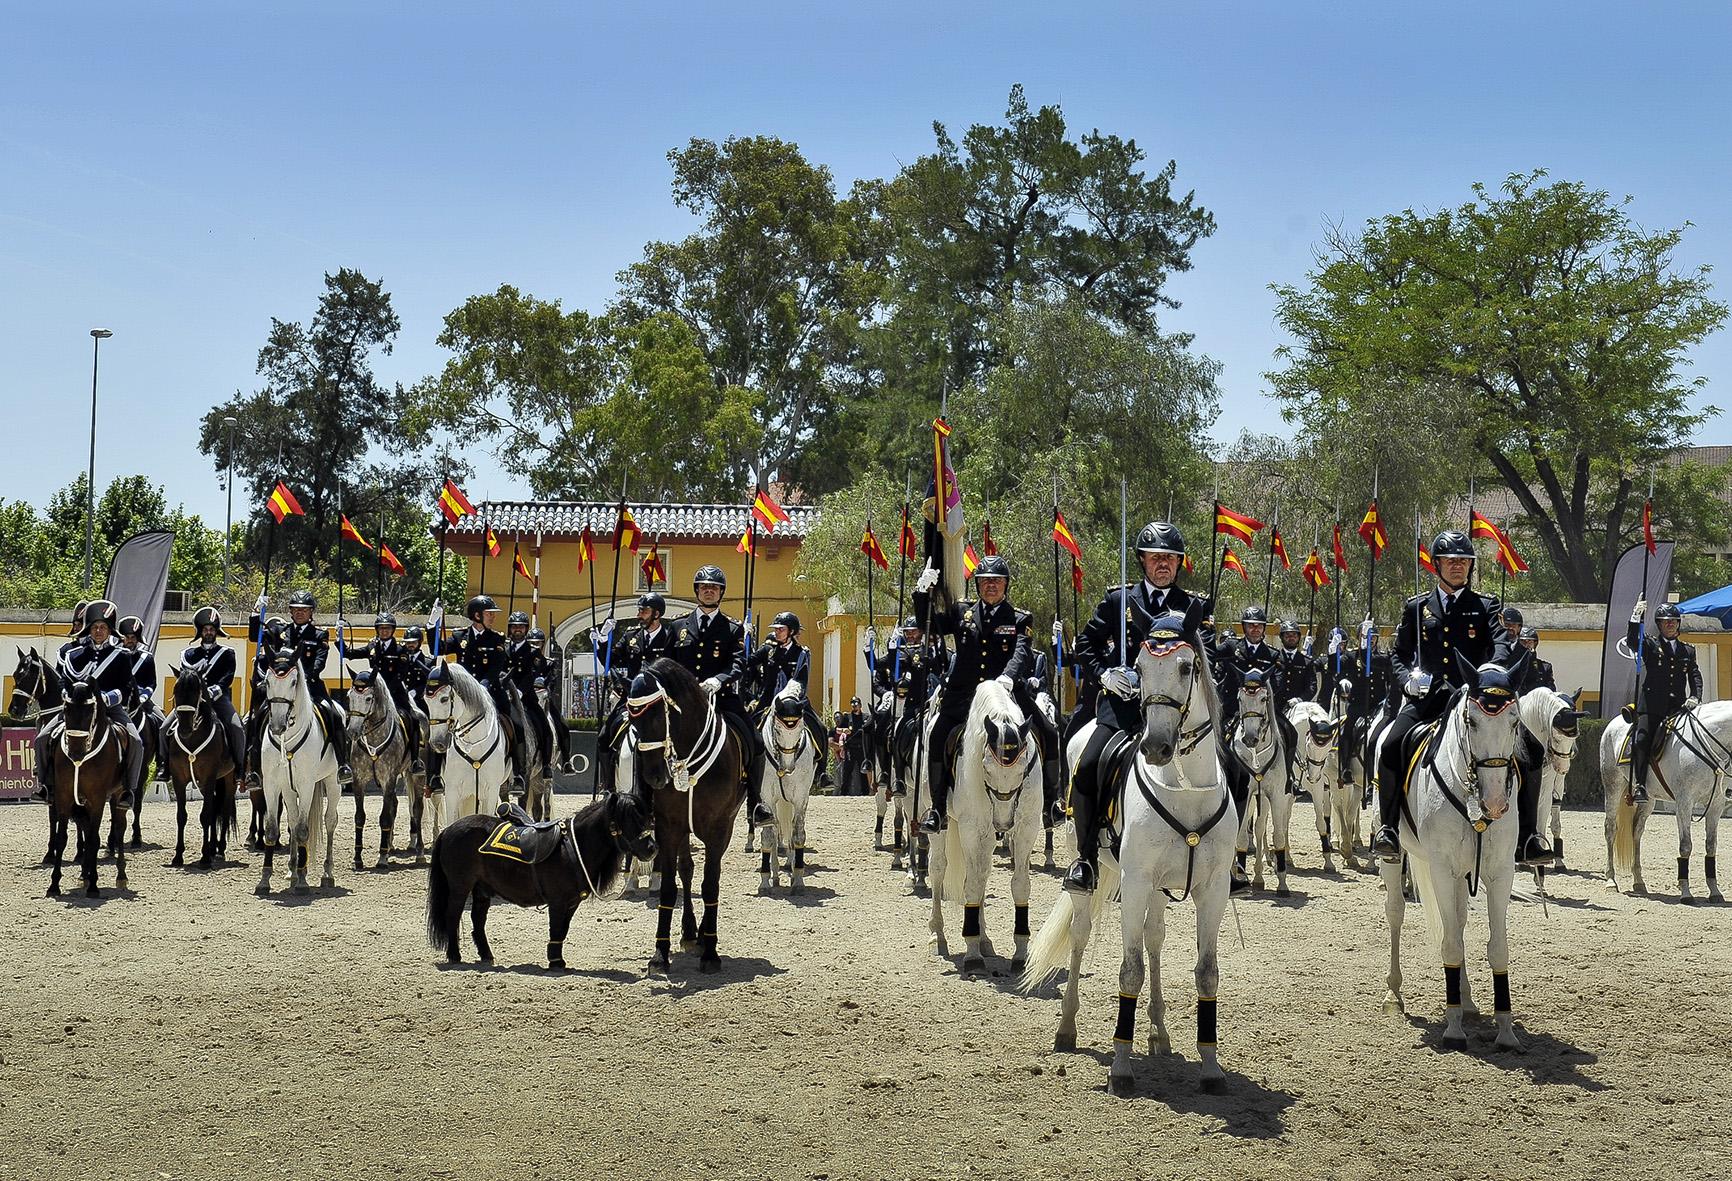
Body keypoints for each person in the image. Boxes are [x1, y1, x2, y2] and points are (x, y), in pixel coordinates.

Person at [1376, 531, 1535, 860]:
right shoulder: (1417, 608)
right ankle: (1389, 829)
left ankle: (1530, 837)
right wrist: (1408, 680)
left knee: (1531, 748)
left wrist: (1490, 669)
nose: (1458, 566)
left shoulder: (1486, 606)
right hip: (1429, 698)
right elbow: (1398, 655)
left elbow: (1503, 644)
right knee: (1391, 746)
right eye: (1450, 561)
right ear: (1436, 565)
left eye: (1464, 561)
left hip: (1475, 700)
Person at [1065, 521, 1203, 891]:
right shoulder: (1118, 601)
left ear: (1179, 564)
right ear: (1142, 561)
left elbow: (1209, 658)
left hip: (1177, 716)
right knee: (1089, 766)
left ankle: (1230, 859)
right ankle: (1087, 858)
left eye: (1170, 559)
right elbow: (1085, 644)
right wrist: (1106, 675)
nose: (1163, 565)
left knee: (1233, 769)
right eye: (1156, 558)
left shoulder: (1191, 607)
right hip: (1124, 709)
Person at [914, 553, 1059, 836]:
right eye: (985, 581)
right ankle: (938, 807)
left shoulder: (1019, 617)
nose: (991, 585)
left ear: (1006, 584)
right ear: (978, 585)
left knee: (1049, 732)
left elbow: (1021, 650)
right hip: (965, 695)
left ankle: (1052, 803)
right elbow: (929, 624)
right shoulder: (961, 612)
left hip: (1007, 691)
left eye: (997, 580)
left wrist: (1008, 676)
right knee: (938, 733)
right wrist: (921, 594)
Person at [666, 565, 773, 827]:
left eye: (714, 587)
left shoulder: (733, 629)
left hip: (722, 699)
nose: (709, 591)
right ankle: (645, 801)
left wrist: (718, 680)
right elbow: (666, 662)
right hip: (683, 703)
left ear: (721, 592)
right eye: (704, 587)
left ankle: (755, 804)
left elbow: (738, 664)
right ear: (697, 591)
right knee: (650, 740)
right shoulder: (678, 625)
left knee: (756, 743)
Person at [33, 601, 145, 803]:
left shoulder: (121, 656)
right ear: (89, 629)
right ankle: (45, 785)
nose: (99, 631)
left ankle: (128, 789)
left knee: (136, 741)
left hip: (110, 708)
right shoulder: (74, 655)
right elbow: (63, 680)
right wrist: (68, 696)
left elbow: (126, 686)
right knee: (42, 738)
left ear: (110, 630)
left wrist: (105, 699)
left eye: (103, 627)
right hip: (76, 710)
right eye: (95, 627)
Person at [592, 592, 677, 794]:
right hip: (632, 699)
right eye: (639, 610)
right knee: (604, 737)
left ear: (656, 614)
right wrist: (603, 641)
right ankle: (608, 786)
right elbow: (609, 660)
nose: (640, 615)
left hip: (660, 701)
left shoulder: (669, 639)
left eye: (644, 611)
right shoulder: (631, 637)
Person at [1625, 601, 1701, 804]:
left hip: (1679, 707)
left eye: (1674, 621)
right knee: (1642, 740)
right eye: (1666, 622)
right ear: (1659, 625)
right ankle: (1640, 785)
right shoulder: (1650, 645)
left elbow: (1695, 676)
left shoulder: (1688, 651)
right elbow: (1633, 641)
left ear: (1679, 623)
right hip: (1652, 707)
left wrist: (1695, 696)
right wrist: (1635, 618)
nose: (1670, 625)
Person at [744, 610, 832, 784]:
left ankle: (821, 773)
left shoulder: (802, 653)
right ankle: (746, 768)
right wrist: (744, 641)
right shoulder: (768, 650)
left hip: (794, 702)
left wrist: (789, 697)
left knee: (820, 728)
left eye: (780, 629)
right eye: (775, 629)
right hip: (768, 702)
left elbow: (802, 679)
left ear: (791, 631)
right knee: (747, 728)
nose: (777, 632)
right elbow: (747, 662)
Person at [445, 594, 521, 788]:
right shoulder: (459, 636)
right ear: (477, 615)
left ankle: (518, 771)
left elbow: (496, 668)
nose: (493, 617)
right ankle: (435, 775)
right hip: (462, 695)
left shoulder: (497, 638)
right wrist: (432, 625)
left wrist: (482, 687)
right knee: (440, 726)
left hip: (490, 691)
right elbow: (438, 649)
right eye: (489, 614)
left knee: (515, 723)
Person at [282, 590, 353, 784]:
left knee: (335, 715)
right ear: (290, 611)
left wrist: (301, 679)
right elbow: (258, 638)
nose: (300, 613)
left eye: (304, 610)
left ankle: (343, 764)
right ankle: (252, 767)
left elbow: (318, 664)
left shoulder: (320, 634)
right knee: (257, 715)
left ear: (311, 612)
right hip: (283, 688)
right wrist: (256, 615)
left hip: (312, 688)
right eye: (296, 609)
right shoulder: (282, 632)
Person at [176, 605, 249, 784]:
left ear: (217, 631)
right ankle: (165, 766)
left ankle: (240, 768)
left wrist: (212, 691)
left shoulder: (227, 653)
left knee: (237, 727)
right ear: (200, 632)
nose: (208, 632)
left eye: (211, 629)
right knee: (165, 728)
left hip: (218, 699)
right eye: (205, 629)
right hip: (193, 702)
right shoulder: (188, 654)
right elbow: (184, 679)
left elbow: (227, 678)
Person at [363, 612, 424, 773]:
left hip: (396, 694)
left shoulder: (400, 650)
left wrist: (386, 690)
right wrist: (339, 640)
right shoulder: (372, 647)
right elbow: (350, 654)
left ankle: (415, 759)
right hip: (375, 696)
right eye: (381, 628)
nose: (384, 631)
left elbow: (401, 674)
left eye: (387, 628)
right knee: (357, 717)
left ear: (393, 630)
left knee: (414, 719)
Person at [505, 610, 555, 784]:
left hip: (526, 697)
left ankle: (547, 763)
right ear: (510, 629)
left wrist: (519, 691)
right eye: (514, 626)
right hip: (505, 695)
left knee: (544, 725)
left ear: (526, 629)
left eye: (521, 626)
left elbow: (531, 675)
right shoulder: (503, 648)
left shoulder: (533, 652)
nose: (517, 629)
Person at [116, 616, 164, 779]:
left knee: (163, 723)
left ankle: (162, 763)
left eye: (133, 638)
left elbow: (151, 683)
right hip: (118, 700)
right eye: (126, 637)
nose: (129, 641)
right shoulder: (113, 657)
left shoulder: (146, 658)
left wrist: (143, 698)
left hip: (143, 700)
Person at [834, 696, 874, 794]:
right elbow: (837, 729)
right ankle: (843, 794)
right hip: (850, 748)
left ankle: (865, 793)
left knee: (863, 771)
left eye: (856, 705)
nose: (854, 707)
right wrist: (844, 730)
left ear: (860, 706)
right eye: (853, 705)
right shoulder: (847, 717)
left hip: (862, 748)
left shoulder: (866, 717)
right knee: (847, 772)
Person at [1515, 626, 1556, 693]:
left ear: (1535, 643)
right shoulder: (1510, 665)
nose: (1526, 645)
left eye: (1529, 642)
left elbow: (1551, 691)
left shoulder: (1545, 667)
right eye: (1523, 642)